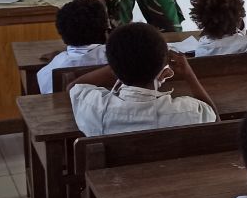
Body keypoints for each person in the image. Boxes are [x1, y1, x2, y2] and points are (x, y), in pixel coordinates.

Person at [68, 22, 218, 135]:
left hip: (119, 177)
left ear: (114, 68)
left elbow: (73, 88)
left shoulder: (95, 108)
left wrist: (118, 64)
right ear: (163, 71)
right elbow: (214, 119)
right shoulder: (188, 112)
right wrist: (189, 75)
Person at [37, 0, 110, 95]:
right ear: (105, 30)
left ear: (62, 35)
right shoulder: (117, 58)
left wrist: (58, 57)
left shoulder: (49, 71)